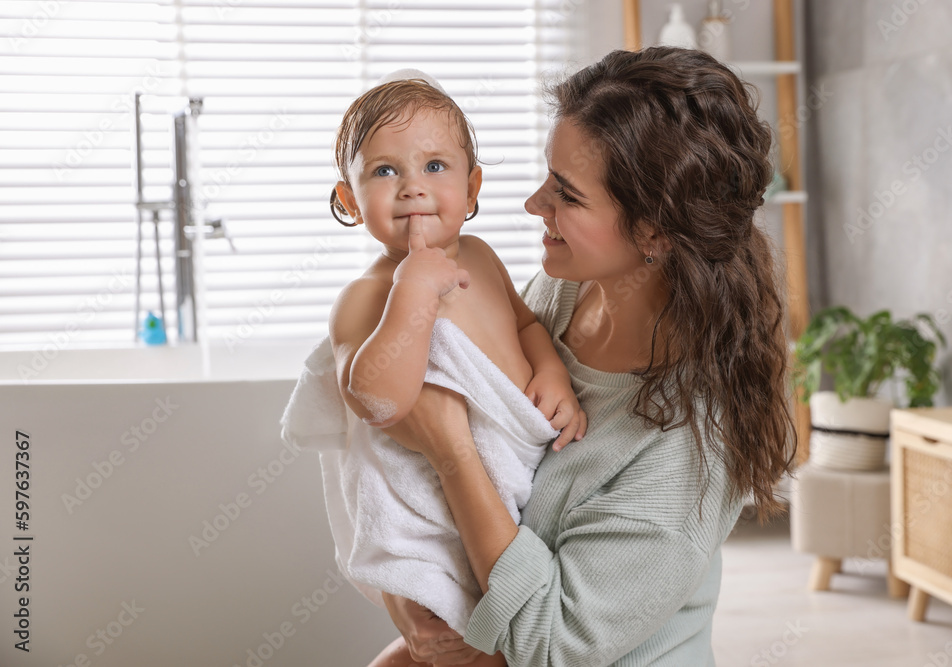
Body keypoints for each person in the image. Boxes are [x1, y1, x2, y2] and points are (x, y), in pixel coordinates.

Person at [378, 46, 797, 666]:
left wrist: (450, 449)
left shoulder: (695, 439)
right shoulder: (565, 290)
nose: (532, 205)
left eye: (566, 196)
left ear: (654, 231)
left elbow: (552, 645)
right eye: (549, 177)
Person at [293, 73, 588, 667]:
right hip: (434, 523)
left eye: (434, 166)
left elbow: (526, 324)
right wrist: (411, 295)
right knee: (445, 647)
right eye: (383, 172)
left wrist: (551, 372)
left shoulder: (481, 256)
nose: (411, 189)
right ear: (349, 201)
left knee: (500, 646)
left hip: (513, 491)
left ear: (472, 186)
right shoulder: (365, 297)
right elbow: (375, 401)